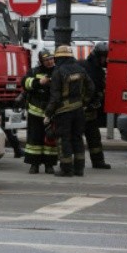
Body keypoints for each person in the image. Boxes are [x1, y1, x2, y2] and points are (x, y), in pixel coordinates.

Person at [44, 45, 95, 177]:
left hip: (63, 112)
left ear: (59, 58)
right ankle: (79, 169)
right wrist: (84, 102)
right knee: (77, 138)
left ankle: (66, 169)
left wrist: (48, 113)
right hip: (78, 110)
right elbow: (91, 87)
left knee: (64, 139)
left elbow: (55, 97)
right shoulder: (80, 69)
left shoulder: (58, 72)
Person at [21, 49, 58, 174]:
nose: (50, 62)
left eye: (51, 59)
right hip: (35, 111)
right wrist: (38, 82)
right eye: (46, 60)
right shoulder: (34, 71)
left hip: (51, 112)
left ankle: (49, 165)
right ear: (41, 62)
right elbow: (24, 82)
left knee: (50, 140)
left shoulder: (57, 71)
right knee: (34, 139)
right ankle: (34, 165)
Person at [78, 41, 112, 169]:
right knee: (78, 138)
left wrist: (97, 100)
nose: (105, 60)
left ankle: (98, 162)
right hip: (81, 109)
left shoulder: (97, 69)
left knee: (94, 138)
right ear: (98, 56)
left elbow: (99, 88)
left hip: (91, 110)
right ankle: (78, 163)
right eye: (103, 57)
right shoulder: (85, 68)